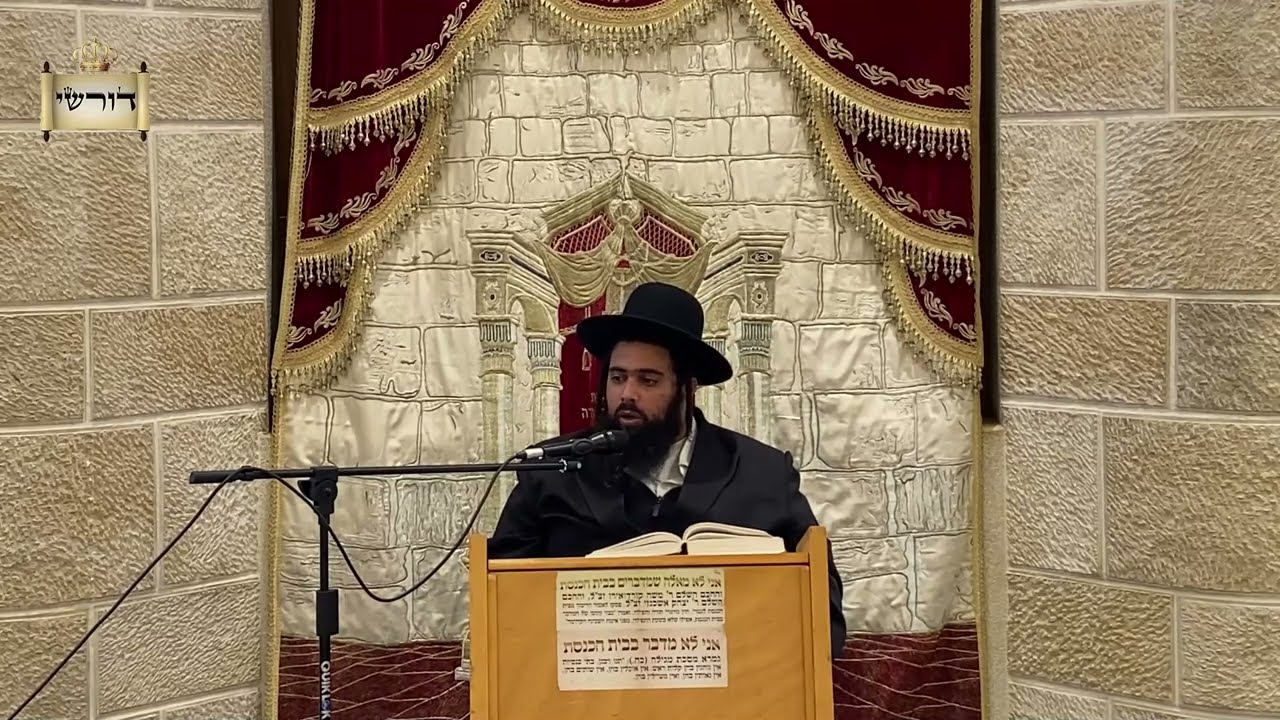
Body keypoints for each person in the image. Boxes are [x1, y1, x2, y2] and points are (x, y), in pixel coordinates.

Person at [488, 281, 846, 659]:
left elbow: (821, 606)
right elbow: (501, 595)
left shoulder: (763, 474)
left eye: (648, 380)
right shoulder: (551, 471)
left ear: (688, 388)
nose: (627, 394)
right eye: (617, 377)